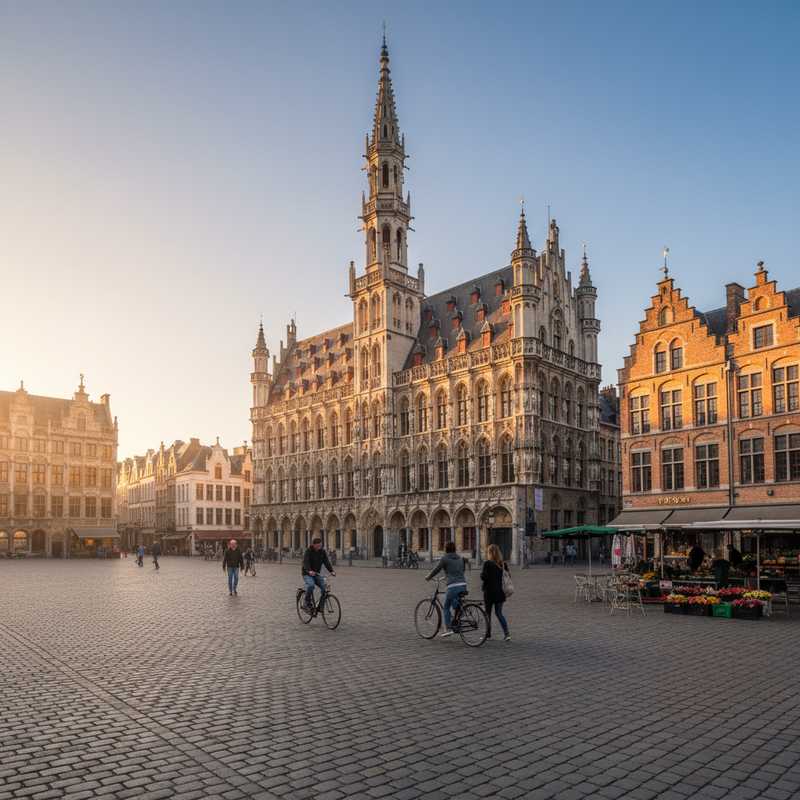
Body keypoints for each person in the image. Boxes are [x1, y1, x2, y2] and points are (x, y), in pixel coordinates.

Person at [425, 541, 467, 637]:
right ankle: (457, 619)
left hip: (453, 586)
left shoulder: (445, 558)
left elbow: (437, 569)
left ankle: (448, 628)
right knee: (456, 604)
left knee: (446, 607)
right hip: (463, 584)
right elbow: (460, 571)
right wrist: (446, 576)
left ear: (446, 549)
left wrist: (428, 577)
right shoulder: (460, 558)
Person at [481, 544, 511, 641]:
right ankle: (507, 634)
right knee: (499, 613)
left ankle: (487, 634)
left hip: (489, 593)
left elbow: (483, 577)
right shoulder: (503, 564)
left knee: (487, 614)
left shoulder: (487, 564)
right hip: (500, 593)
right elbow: (508, 576)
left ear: (489, 553)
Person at [302, 538, 335, 611]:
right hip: (307, 574)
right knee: (311, 585)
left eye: (320, 545)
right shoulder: (308, 551)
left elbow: (326, 562)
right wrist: (309, 570)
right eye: (318, 546)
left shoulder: (322, 552)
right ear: (313, 545)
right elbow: (305, 562)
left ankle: (320, 606)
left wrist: (331, 571)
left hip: (316, 574)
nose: (320, 547)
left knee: (324, 588)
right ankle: (306, 603)